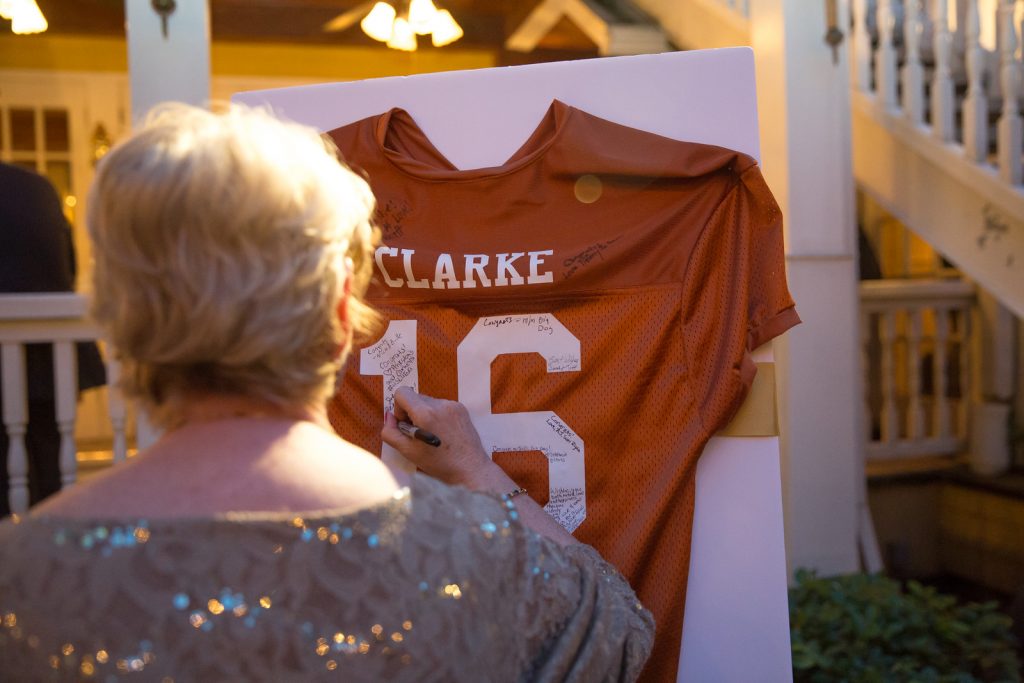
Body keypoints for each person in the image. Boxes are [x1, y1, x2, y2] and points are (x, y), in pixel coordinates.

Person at [0, 103, 653, 681]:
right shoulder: (483, 559)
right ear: (343, 309)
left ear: (120, 321)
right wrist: (479, 472)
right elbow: (620, 633)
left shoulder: (20, 578)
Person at [0, 162, 106, 516]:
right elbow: (69, 267)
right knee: (50, 475)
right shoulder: (37, 187)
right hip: (51, 360)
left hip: (28, 355)